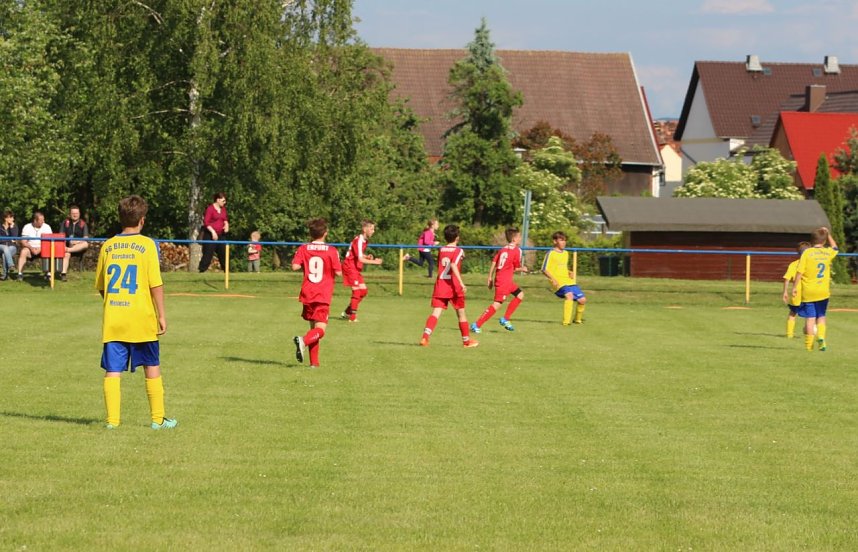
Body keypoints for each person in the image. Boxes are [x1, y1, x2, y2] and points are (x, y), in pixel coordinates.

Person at [95, 195, 176, 430]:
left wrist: (115, 303)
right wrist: (161, 314)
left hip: (115, 318)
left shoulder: (108, 246)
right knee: (151, 364)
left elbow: (102, 286)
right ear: (142, 220)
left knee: (113, 370)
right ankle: (157, 419)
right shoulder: (148, 244)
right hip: (142, 317)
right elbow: (155, 284)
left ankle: (112, 422)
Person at [292, 218, 342, 368]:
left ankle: (314, 363)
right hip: (322, 294)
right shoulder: (332, 250)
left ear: (310, 233)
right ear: (325, 233)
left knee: (313, 328)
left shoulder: (303, 248)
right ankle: (303, 341)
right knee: (320, 330)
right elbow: (339, 272)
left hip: (308, 292)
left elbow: (295, 266)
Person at [419, 224, 479, 348]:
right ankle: (466, 341)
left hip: (441, 284)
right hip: (454, 286)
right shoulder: (459, 250)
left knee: (436, 312)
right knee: (461, 314)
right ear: (457, 237)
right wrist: (461, 283)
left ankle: (425, 337)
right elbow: (452, 265)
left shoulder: (441, 249)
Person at [471, 227, 528, 333]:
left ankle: (505, 319)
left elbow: (494, 262)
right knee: (497, 304)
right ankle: (477, 324)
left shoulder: (503, 249)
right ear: (514, 239)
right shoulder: (516, 250)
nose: (520, 238)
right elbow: (515, 268)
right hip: (504, 281)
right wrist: (523, 269)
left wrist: (489, 277)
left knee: (520, 295)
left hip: (503, 279)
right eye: (519, 236)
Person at [791, 227, 838, 352]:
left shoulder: (807, 253)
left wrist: (795, 287)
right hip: (823, 291)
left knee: (810, 318)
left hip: (808, 291)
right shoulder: (827, 252)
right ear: (823, 241)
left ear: (812, 241)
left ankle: (809, 346)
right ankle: (821, 337)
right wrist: (828, 234)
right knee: (821, 316)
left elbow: (799, 272)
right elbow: (835, 247)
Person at [340, 219, 383, 322]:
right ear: (365, 229)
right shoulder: (359, 240)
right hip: (349, 267)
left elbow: (358, 254)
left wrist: (367, 256)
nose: (373, 231)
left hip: (354, 267)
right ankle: (352, 317)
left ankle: (347, 312)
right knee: (356, 291)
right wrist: (375, 262)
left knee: (363, 291)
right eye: (371, 229)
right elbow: (359, 259)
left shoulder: (364, 240)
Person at [541, 231, 587, 325]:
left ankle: (577, 320)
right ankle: (566, 322)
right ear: (555, 241)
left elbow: (562, 267)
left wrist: (569, 272)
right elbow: (544, 269)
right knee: (569, 295)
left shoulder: (566, 253)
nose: (564, 242)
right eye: (561, 240)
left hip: (568, 280)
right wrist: (553, 279)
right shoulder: (550, 253)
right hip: (558, 282)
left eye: (565, 240)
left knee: (582, 300)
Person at [782, 241, 810, 338]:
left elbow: (787, 279)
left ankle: (790, 334)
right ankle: (809, 332)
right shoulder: (811, 264)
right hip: (808, 294)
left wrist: (785, 292)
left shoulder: (793, 264)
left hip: (796, 294)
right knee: (810, 315)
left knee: (792, 313)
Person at [16, 211, 53, 281]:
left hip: (43, 248)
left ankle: (48, 274)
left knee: (49, 251)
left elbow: (49, 242)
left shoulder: (47, 227)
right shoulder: (27, 227)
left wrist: (40, 248)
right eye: (41, 220)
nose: (43, 221)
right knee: (23, 252)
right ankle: (20, 274)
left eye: (43, 220)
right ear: (35, 220)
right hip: (30, 248)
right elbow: (23, 242)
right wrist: (31, 248)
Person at [198, 192, 229, 272]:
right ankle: (202, 271)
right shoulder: (210, 209)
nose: (224, 203)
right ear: (218, 200)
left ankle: (227, 271)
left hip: (221, 235)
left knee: (223, 253)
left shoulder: (223, 209)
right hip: (210, 234)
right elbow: (206, 222)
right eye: (223, 201)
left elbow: (225, 219)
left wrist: (226, 224)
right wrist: (213, 232)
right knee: (208, 253)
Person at [59, 205, 90, 281]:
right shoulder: (65, 222)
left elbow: (86, 238)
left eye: (76, 213)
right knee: (66, 254)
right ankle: (63, 274)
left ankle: (68, 250)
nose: (75, 215)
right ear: (70, 214)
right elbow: (60, 236)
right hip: (67, 246)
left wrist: (77, 242)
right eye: (73, 213)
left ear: (79, 214)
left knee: (85, 244)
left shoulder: (83, 223)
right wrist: (68, 241)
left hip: (78, 246)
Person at [0, 210, 19, 281]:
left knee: (5, 254)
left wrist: (12, 228)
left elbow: (14, 237)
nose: (13, 219)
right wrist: (8, 240)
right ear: (5, 218)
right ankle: (11, 265)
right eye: (11, 217)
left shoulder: (14, 227)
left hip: (12, 247)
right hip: (1, 246)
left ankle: (5, 275)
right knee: (5, 248)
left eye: (13, 217)